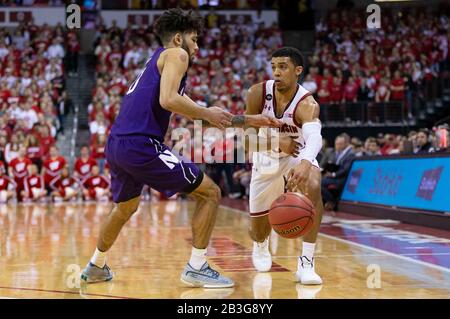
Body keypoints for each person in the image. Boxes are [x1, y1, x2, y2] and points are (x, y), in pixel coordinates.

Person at [81, 8, 280, 288]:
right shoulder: (177, 55)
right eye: (194, 39)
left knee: (125, 207)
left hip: (118, 145)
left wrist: (248, 119)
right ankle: (196, 267)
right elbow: (169, 100)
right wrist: (206, 113)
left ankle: (96, 265)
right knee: (210, 193)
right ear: (177, 38)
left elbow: (199, 111)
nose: (197, 47)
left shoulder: (157, 64)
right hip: (141, 144)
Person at [246, 47, 325, 285]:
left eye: (283, 67)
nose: (277, 72)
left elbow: (315, 138)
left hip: (297, 155)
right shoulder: (257, 93)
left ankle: (307, 263)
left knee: (313, 183)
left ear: (298, 71)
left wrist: (305, 163)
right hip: (266, 159)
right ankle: (261, 245)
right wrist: (275, 139)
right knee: (259, 229)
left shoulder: (306, 103)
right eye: (274, 67)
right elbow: (246, 138)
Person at [321, 134, 355, 211]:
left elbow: (345, 170)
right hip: (334, 176)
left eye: (340, 144)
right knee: (318, 179)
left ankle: (332, 202)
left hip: (343, 179)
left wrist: (333, 174)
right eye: (336, 144)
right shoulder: (337, 153)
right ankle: (327, 202)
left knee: (320, 183)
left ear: (346, 144)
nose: (338, 146)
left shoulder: (350, 154)